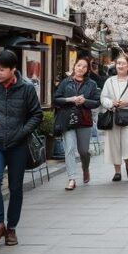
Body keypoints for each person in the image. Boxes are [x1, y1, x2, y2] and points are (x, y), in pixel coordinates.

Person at [0, 50, 42, 247]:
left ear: (13, 70)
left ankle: (11, 228)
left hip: (18, 145)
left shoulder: (27, 89)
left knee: (15, 188)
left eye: (2, 69)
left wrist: (22, 132)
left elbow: (36, 115)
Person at [54, 57, 101, 190]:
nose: (81, 68)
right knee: (69, 149)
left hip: (84, 120)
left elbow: (97, 102)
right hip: (67, 120)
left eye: (84, 67)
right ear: (74, 66)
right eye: (79, 65)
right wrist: (70, 99)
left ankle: (85, 168)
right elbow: (56, 99)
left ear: (87, 70)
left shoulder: (91, 84)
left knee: (84, 151)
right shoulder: (65, 82)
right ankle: (72, 178)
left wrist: (84, 101)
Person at [101, 55, 128, 181]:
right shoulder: (109, 81)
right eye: (118, 63)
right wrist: (110, 103)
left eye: (123, 63)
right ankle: (117, 172)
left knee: (127, 146)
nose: (120, 65)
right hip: (113, 117)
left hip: (127, 118)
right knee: (114, 145)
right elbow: (103, 97)